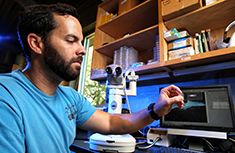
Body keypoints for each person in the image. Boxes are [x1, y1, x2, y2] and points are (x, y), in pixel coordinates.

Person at [0, 3, 184, 153]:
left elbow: (111, 123)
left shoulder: (70, 97)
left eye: (81, 42)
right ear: (36, 44)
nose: (82, 50)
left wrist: (155, 111)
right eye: (71, 41)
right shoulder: (6, 96)